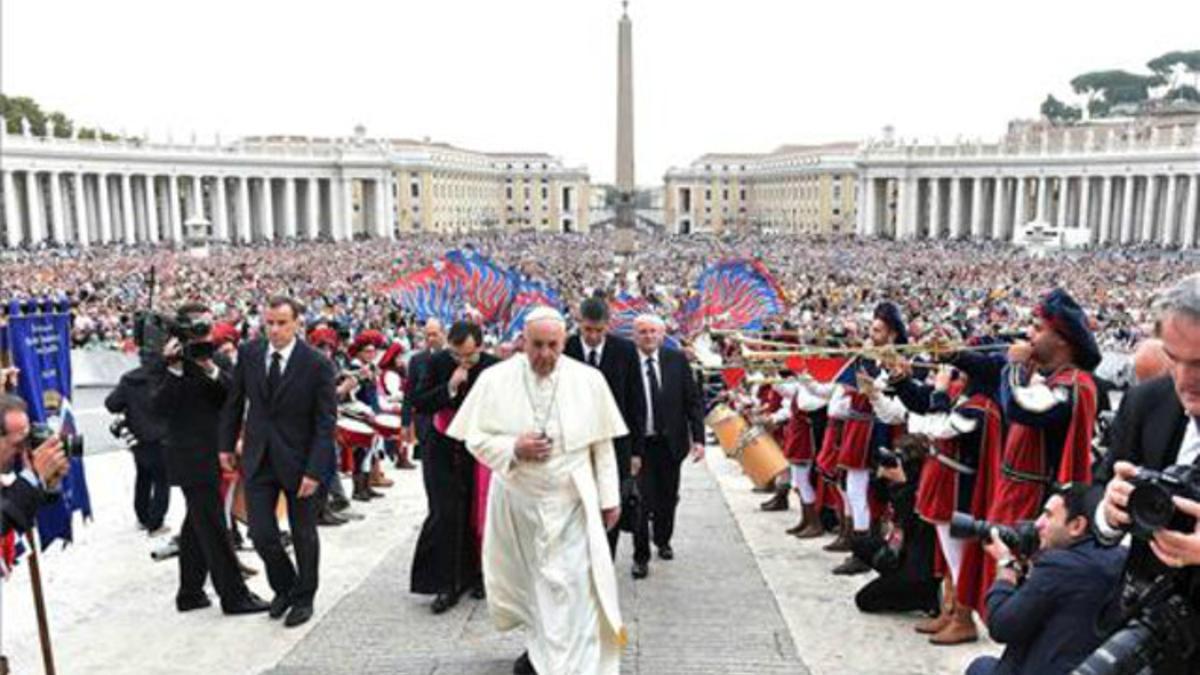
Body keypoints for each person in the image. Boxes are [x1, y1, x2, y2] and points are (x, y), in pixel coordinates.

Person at [447, 306, 627, 675]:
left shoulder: (588, 380)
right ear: (522, 342)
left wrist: (610, 498)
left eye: (553, 346)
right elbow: (475, 439)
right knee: (534, 586)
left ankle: (573, 660)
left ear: (565, 342)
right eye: (537, 346)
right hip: (519, 501)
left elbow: (602, 446)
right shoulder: (496, 379)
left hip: (572, 499)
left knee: (574, 584)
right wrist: (514, 447)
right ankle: (542, 653)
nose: (545, 355)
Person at [1094, 274, 1200, 675]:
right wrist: (1110, 511)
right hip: (1144, 628)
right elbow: (1097, 487)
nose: (1185, 381)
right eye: (1174, 358)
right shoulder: (1147, 402)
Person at [219, 295, 338, 628]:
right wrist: (225, 445)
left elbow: (325, 422)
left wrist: (316, 469)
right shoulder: (250, 353)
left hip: (300, 463)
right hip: (258, 458)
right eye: (269, 323)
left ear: (297, 323)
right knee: (261, 533)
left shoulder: (317, 363)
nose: (274, 330)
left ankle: (305, 597)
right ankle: (285, 587)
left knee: (303, 533)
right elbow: (234, 402)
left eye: (281, 323)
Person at [150, 303, 269, 616]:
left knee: (195, 526)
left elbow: (233, 397)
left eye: (206, 326)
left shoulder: (213, 358)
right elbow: (157, 409)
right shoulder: (162, 361)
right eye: (196, 327)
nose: (202, 334)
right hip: (189, 459)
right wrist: (174, 369)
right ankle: (234, 596)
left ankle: (189, 593)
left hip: (217, 452)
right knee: (215, 528)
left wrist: (210, 369)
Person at [966, 484, 1126, 675]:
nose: (1037, 524)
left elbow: (1002, 626)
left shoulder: (1060, 565)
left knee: (980, 667)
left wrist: (1006, 565)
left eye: (1048, 515)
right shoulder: (1120, 558)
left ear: (1076, 526)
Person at [409, 320, 498, 613]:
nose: (462, 361)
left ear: (480, 348)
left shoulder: (493, 367)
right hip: (443, 447)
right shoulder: (435, 363)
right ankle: (446, 584)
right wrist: (449, 387)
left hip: (479, 450)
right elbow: (420, 401)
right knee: (446, 514)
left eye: (469, 356)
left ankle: (480, 575)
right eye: (457, 355)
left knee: (480, 514)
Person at [564, 296, 645, 559]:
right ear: (579, 324)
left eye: (599, 330)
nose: (593, 336)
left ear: (608, 326)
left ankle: (604, 560)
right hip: (574, 442)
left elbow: (636, 403)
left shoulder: (625, 351)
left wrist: (636, 452)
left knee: (611, 500)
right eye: (588, 330)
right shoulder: (565, 349)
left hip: (616, 442)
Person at [630, 313, 704, 579]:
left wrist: (699, 439)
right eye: (643, 332)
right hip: (639, 446)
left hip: (671, 443)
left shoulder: (676, 361)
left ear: (662, 335)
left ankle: (662, 539)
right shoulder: (627, 362)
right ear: (634, 335)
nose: (648, 336)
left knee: (667, 497)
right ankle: (640, 557)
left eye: (653, 331)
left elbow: (692, 401)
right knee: (640, 500)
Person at [106, 353, 171, 535]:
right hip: (162, 436)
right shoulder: (165, 378)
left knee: (143, 477)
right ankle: (156, 523)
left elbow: (111, 404)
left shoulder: (129, 379)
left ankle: (142, 517)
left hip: (138, 437)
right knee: (162, 480)